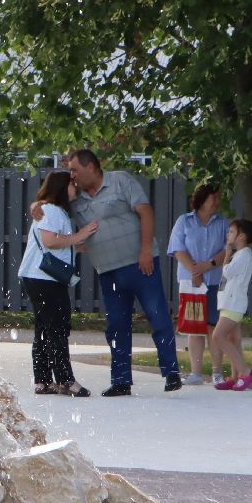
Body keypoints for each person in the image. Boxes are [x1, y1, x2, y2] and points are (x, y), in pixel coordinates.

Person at [63, 149, 183, 396]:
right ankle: (121, 380)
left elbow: (145, 212)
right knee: (116, 325)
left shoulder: (120, 181)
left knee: (157, 315)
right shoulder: (75, 200)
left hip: (140, 264)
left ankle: (171, 372)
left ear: (91, 167)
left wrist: (146, 250)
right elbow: (45, 207)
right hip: (108, 270)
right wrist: (44, 205)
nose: (71, 175)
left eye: (75, 169)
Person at [17, 171, 98, 397]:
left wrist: (79, 242)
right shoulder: (51, 210)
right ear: (62, 188)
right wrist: (81, 234)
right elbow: (50, 241)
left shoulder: (51, 210)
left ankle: (43, 380)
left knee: (44, 329)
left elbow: (61, 243)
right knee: (57, 328)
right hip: (45, 278)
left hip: (39, 276)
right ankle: (65, 380)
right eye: (73, 185)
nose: (76, 189)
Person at [167, 184, 229, 386]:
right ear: (202, 200)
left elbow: (227, 250)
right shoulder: (184, 221)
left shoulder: (223, 223)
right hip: (191, 285)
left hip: (214, 282)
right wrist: (195, 270)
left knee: (214, 327)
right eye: (214, 198)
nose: (218, 202)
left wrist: (208, 265)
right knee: (194, 327)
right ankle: (196, 373)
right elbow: (177, 248)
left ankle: (217, 371)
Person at [212, 219, 252, 392]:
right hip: (229, 303)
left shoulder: (244, 254)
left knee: (218, 336)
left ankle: (245, 371)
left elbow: (227, 272)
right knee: (234, 340)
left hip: (233, 304)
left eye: (231, 232)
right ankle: (234, 377)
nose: (228, 235)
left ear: (242, 236)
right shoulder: (240, 255)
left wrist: (226, 255)